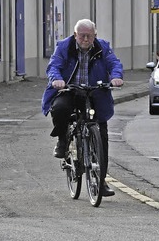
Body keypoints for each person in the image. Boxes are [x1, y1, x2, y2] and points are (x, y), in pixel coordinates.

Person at [41, 19, 124, 197]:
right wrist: (56, 79)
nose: (86, 39)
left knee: (101, 134)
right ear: (75, 35)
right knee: (60, 108)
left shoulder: (102, 47)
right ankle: (62, 140)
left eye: (89, 36)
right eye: (82, 36)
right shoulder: (64, 46)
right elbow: (54, 66)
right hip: (70, 89)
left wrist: (116, 77)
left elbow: (114, 63)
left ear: (95, 35)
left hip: (94, 92)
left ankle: (100, 182)